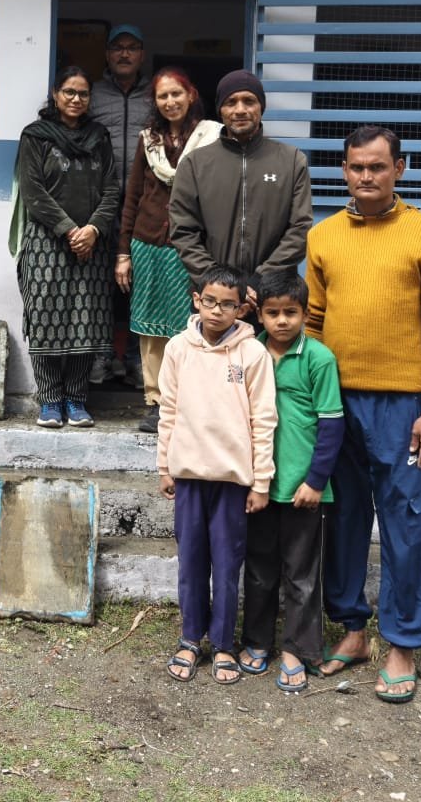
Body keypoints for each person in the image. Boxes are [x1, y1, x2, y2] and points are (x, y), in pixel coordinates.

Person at [306, 125, 421, 704]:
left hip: (401, 406)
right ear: (344, 171)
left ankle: (401, 642)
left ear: (399, 168)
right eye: (356, 167)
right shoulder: (323, 236)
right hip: (335, 403)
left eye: (376, 166)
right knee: (343, 516)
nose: (365, 176)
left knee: (403, 520)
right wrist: (307, 405)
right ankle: (352, 629)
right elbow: (313, 324)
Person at [157, 266, 278, 686]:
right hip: (189, 476)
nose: (217, 311)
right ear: (197, 300)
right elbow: (168, 410)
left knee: (227, 565)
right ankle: (191, 638)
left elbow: (264, 420)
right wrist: (164, 466)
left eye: (228, 304)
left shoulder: (252, 354)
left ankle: (224, 644)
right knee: (191, 562)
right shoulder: (178, 348)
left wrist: (261, 481)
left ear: (241, 308)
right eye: (210, 301)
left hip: (232, 481)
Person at [238, 268, 345, 694]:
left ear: (305, 313)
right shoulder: (249, 352)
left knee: (302, 574)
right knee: (259, 569)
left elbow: (332, 425)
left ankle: (297, 650)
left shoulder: (318, 358)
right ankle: (256, 640)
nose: (282, 321)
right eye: (272, 313)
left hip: (303, 488)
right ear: (259, 314)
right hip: (259, 484)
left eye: (290, 312)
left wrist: (316, 481)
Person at [13, 66, 120, 429]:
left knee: (83, 321)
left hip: (92, 245)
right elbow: (33, 191)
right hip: (47, 242)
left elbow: (111, 189)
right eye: (69, 92)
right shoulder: (36, 136)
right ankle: (49, 400)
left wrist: (93, 230)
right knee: (45, 319)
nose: (76, 99)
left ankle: (76, 399)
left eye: (83, 93)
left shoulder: (98, 137)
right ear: (55, 95)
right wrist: (71, 230)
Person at [114, 68, 220, 433]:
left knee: (188, 325)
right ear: (155, 101)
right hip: (147, 245)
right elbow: (133, 196)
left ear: (191, 95)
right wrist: (123, 252)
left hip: (189, 246)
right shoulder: (150, 140)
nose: (170, 101)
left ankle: (186, 401)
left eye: (177, 93)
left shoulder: (211, 137)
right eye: (163, 96)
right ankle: (156, 401)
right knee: (150, 330)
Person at [168, 70, 312, 308]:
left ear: (261, 107)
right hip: (214, 299)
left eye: (249, 101)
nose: (240, 109)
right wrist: (221, 284)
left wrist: (260, 280)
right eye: (231, 102)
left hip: (274, 296)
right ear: (220, 110)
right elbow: (183, 230)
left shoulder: (291, 160)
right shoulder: (195, 164)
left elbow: (300, 228)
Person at [89, 23, 153, 388]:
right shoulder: (93, 95)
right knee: (100, 281)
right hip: (100, 203)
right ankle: (101, 354)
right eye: (117, 47)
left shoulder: (155, 95)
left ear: (142, 54)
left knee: (139, 283)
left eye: (131, 47)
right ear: (107, 54)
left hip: (145, 203)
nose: (124, 53)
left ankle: (134, 358)